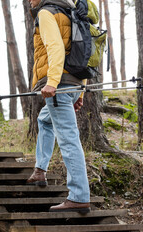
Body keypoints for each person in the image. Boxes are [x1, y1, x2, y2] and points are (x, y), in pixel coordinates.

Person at [26, 0, 91, 213]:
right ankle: (40, 170)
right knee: (44, 120)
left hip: (59, 85)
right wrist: (79, 92)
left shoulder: (46, 13)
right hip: (72, 84)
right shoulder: (70, 12)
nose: (29, 0)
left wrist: (52, 82)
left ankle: (79, 197)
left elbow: (55, 48)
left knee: (69, 139)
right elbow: (84, 53)